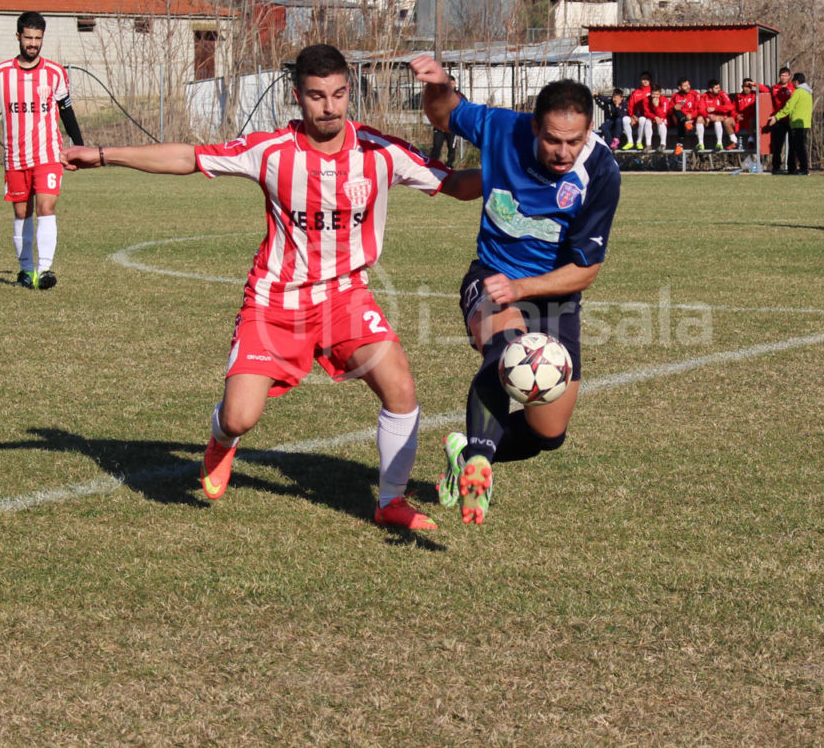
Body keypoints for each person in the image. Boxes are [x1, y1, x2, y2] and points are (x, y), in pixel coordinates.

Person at [61, 44, 481, 530]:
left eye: (340, 94)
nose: (331, 107)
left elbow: (456, 185)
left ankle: (390, 502)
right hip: (276, 302)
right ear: (297, 97)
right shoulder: (271, 151)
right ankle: (221, 442)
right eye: (318, 96)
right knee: (241, 417)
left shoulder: (380, 151)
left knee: (400, 386)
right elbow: (189, 157)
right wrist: (104, 154)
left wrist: (521, 172)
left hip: (346, 297)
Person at [411, 55, 621, 526]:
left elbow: (586, 270)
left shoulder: (600, 171)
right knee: (504, 351)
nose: (563, 151)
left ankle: (467, 448)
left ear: (587, 132)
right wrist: (440, 83)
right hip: (491, 274)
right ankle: (479, 465)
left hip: (555, 294)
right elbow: (445, 113)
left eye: (574, 140)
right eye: (552, 139)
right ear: (534, 127)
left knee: (548, 434)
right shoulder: (503, 128)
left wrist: (524, 286)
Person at [0, 11, 84, 289]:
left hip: (48, 154)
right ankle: (25, 272)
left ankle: (45, 270)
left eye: (38, 38)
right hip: (15, 156)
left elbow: (66, 110)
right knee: (21, 213)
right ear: (18, 37)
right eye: (28, 38)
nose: (33, 44)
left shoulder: (55, 73)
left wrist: (79, 145)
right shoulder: (3, 73)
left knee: (46, 207)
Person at [766, 71, 813, 174]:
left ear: (796, 82)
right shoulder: (808, 93)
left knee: (799, 147)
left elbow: (788, 107)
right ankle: (798, 168)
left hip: (797, 123)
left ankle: (803, 168)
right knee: (799, 147)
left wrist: (776, 117)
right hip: (805, 123)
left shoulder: (798, 92)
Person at [695, 79, 737, 152]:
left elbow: (730, 107)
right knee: (699, 119)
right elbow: (701, 109)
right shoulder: (704, 96)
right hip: (709, 119)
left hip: (721, 118)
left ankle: (719, 143)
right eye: (716, 88)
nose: (719, 89)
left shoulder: (722, 94)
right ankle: (701, 144)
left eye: (719, 87)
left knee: (717, 119)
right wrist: (707, 116)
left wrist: (715, 109)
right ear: (710, 89)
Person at [768, 67, 795, 173]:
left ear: (789, 76)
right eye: (781, 75)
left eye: (785, 75)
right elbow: (764, 90)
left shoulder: (793, 88)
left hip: (791, 119)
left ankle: (791, 168)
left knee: (792, 145)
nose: (783, 77)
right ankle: (776, 167)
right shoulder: (774, 88)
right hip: (778, 119)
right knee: (778, 145)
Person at [429, 74, 459, 167]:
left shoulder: (459, 95)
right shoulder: (439, 94)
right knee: (436, 146)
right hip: (439, 126)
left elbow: (465, 107)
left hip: (452, 127)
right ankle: (433, 164)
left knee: (451, 147)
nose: (451, 85)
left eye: (452, 83)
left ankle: (449, 164)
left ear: (455, 84)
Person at [734, 77, 770, 152]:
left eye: (749, 87)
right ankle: (733, 141)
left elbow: (766, 90)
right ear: (742, 87)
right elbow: (733, 108)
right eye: (745, 87)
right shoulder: (738, 96)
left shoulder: (755, 94)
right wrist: (736, 115)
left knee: (751, 121)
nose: (747, 89)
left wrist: (754, 84)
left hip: (751, 119)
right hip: (741, 120)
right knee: (729, 121)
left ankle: (751, 141)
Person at [621, 71, 652, 150]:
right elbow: (630, 105)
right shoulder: (635, 92)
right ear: (640, 80)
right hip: (634, 117)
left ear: (650, 80)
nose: (645, 81)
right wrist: (632, 116)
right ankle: (630, 142)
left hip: (646, 118)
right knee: (625, 119)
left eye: (647, 79)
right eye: (643, 79)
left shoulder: (652, 91)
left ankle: (639, 141)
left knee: (642, 119)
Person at [669, 78, 700, 154]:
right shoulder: (675, 96)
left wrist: (692, 115)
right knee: (677, 112)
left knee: (681, 120)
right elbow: (669, 110)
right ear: (679, 87)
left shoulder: (695, 94)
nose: (688, 87)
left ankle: (679, 144)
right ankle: (685, 122)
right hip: (681, 121)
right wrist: (674, 107)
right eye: (685, 86)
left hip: (691, 120)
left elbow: (700, 109)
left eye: (688, 84)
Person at [647, 86, 672, 151]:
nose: (655, 96)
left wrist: (656, 106)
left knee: (662, 122)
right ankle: (648, 145)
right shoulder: (646, 99)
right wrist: (655, 117)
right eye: (653, 94)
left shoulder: (664, 100)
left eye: (657, 94)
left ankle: (663, 144)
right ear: (650, 93)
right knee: (647, 121)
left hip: (663, 119)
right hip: (653, 119)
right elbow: (646, 112)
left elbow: (663, 115)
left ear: (660, 93)